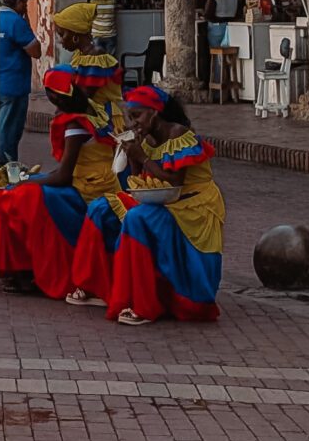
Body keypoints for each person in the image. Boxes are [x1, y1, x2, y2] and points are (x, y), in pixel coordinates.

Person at [68, 85, 224, 325]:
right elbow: (139, 180)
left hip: (190, 206)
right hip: (161, 199)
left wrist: (142, 156)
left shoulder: (179, 134)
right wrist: (133, 157)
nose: (132, 123)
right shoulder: (146, 137)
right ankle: (95, 286)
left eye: (137, 115)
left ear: (154, 112)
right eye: (130, 117)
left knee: (136, 219)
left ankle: (142, 303)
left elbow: (175, 181)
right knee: (101, 208)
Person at [0, 66, 120, 299]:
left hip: (88, 188)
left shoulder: (75, 124)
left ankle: (24, 269)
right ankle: (21, 267)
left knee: (18, 197)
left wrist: (25, 184)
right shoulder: (96, 110)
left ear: (54, 96)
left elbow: (64, 175)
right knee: (23, 189)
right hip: (96, 181)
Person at [0, 0, 38, 162]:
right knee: (9, 133)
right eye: (24, 2)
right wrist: (28, 25)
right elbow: (36, 51)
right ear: (17, 2)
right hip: (14, 84)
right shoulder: (17, 22)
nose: (25, 6)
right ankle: (6, 168)